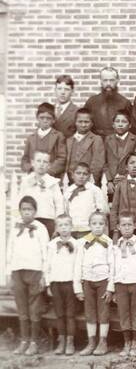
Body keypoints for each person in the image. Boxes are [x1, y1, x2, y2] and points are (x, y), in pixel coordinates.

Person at [7, 196, 49, 356]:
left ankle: (34, 342)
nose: (26, 212)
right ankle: (24, 341)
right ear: (20, 211)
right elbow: (9, 250)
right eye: (24, 209)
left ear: (35, 211)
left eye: (30, 209)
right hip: (17, 270)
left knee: (34, 308)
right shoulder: (15, 227)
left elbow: (45, 252)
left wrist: (44, 274)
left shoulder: (40, 228)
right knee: (22, 308)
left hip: (35, 271)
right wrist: (8, 272)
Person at [108, 212, 136, 357]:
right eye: (123, 225)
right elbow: (112, 267)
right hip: (120, 284)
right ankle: (127, 342)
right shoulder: (115, 245)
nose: (126, 228)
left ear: (135, 226)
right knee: (123, 313)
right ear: (118, 227)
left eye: (129, 225)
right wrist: (111, 288)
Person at [74, 211, 114, 356]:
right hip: (88, 281)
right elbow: (78, 265)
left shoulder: (108, 242)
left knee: (103, 312)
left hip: (103, 281)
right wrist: (78, 288)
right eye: (94, 224)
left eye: (101, 224)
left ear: (105, 225)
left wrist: (110, 287)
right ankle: (91, 342)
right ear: (89, 225)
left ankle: (103, 342)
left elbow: (112, 265)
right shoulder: (83, 242)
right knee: (90, 312)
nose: (98, 227)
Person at [45, 214, 78, 356]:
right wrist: (47, 283)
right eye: (61, 225)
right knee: (59, 314)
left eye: (66, 225)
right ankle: (62, 341)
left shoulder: (77, 244)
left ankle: (70, 342)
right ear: (56, 228)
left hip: (70, 283)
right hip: (56, 283)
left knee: (70, 314)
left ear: (71, 227)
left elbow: (78, 266)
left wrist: (77, 286)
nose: (64, 228)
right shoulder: (52, 245)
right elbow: (47, 264)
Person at [19, 151, 65, 236]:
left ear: (49, 165)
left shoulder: (53, 183)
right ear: (33, 163)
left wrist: (59, 224)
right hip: (30, 220)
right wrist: (19, 220)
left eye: (45, 162)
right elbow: (19, 202)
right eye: (38, 161)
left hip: (48, 221)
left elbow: (59, 205)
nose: (41, 164)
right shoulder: (26, 181)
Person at [83, 66, 133, 137]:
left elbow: (130, 127)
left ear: (117, 80)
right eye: (105, 80)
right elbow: (85, 123)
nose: (108, 83)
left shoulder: (125, 103)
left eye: (111, 80)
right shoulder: (91, 102)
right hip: (96, 142)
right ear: (101, 81)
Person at [64, 162, 109, 239]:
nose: (81, 176)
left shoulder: (94, 190)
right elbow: (66, 210)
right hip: (73, 230)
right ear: (72, 175)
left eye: (85, 174)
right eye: (78, 173)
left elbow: (103, 210)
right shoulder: (68, 191)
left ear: (89, 176)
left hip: (89, 229)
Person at [22, 102, 67, 178]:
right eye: (42, 118)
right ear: (37, 118)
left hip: (51, 176)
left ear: (53, 119)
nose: (45, 121)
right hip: (34, 175)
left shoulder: (58, 136)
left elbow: (62, 158)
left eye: (48, 118)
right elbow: (25, 159)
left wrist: (49, 172)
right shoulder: (31, 137)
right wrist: (31, 169)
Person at [103, 110, 136, 195]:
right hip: (112, 181)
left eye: (124, 122)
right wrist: (109, 181)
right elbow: (104, 162)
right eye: (117, 121)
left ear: (130, 125)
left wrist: (127, 176)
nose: (120, 124)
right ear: (113, 125)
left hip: (130, 180)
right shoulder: (107, 139)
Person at [66, 108, 106, 185]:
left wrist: (88, 180)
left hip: (88, 182)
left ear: (92, 123)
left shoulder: (96, 139)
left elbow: (98, 163)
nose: (83, 125)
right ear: (75, 122)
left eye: (86, 122)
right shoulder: (69, 140)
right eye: (80, 122)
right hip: (70, 181)